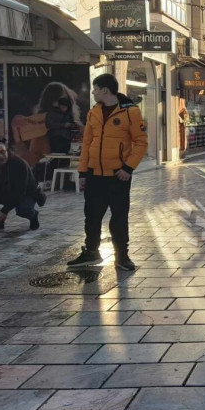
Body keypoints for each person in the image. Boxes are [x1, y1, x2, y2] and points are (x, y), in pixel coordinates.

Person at [68, 74, 148, 271]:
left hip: (118, 176)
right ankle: (91, 252)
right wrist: (83, 172)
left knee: (119, 218)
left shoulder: (130, 111)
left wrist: (128, 168)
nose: (93, 92)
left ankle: (122, 256)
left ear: (105, 90)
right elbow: (87, 143)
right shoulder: (93, 112)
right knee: (92, 217)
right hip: (94, 175)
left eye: (95, 89)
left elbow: (141, 142)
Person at [0, 142, 45, 235]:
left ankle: (33, 216)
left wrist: (4, 211)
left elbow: (20, 191)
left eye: (2, 152)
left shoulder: (19, 164)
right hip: (5, 192)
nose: (1, 156)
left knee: (23, 210)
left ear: (7, 150)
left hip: (26, 193)